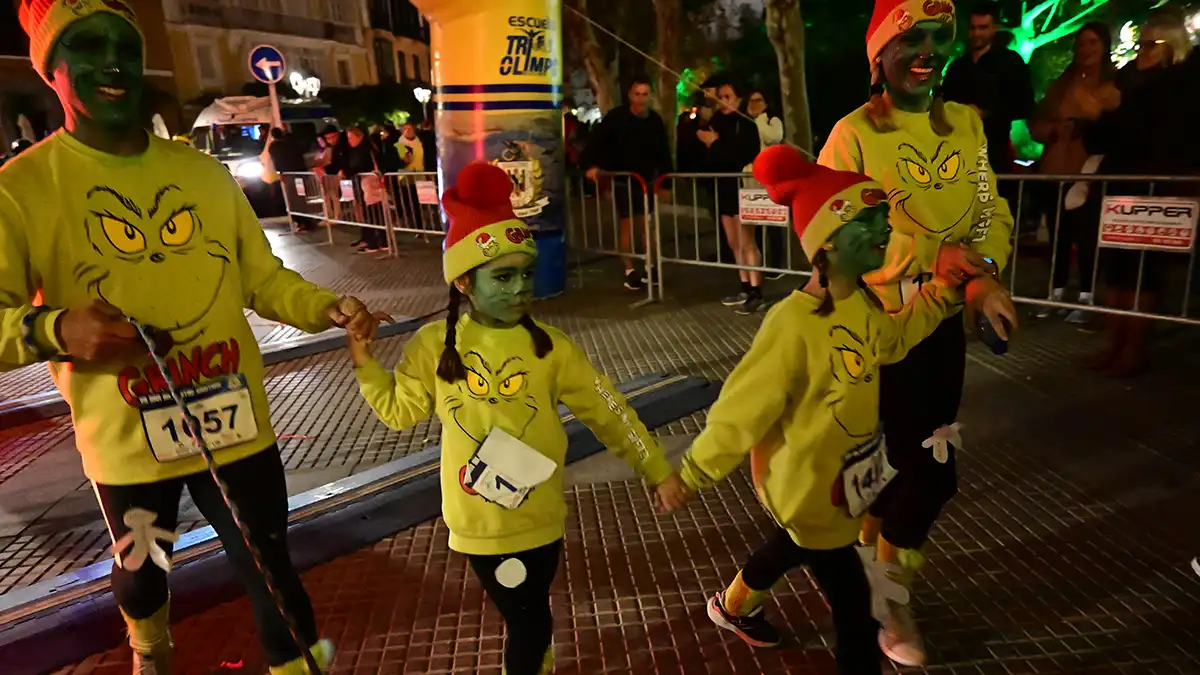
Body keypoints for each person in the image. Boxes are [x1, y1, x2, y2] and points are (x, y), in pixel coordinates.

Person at [7, 2, 381, 673]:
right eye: (88, 46)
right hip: (128, 446)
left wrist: (330, 305)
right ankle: (150, 647)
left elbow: (264, 280)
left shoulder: (204, 174)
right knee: (145, 573)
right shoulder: (21, 189)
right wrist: (58, 326)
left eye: (125, 43)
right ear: (52, 69)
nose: (113, 61)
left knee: (270, 568)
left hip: (237, 427)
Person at [345, 162, 687, 675]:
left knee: (533, 613)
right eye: (502, 276)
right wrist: (364, 362)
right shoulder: (434, 345)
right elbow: (400, 412)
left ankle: (535, 656)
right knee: (526, 620)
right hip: (477, 521)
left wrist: (655, 467)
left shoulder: (551, 347)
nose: (518, 287)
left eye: (526, 273)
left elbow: (609, 411)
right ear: (463, 280)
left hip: (541, 515)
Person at [661, 145, 964, 674]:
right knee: (855, 609)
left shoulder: (862, 303)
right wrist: (690, 474)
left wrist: (939, 295)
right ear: (826, 240)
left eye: (882, 219)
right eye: (868, 221)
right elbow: (740, 409)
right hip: (806, 490)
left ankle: (734, 606)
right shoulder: (792, 323)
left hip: (843, 484)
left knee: (797, 550)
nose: (883, 231)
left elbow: (891, 341)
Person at [818, 0, 1019, 665]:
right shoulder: (851, 135)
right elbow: (840, 229)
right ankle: (888, 595)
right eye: (912, 38)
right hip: (876, 327)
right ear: (879, 55)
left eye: (940, 37)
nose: (929, 50)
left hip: (940, 325)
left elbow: (990, 207)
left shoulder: (964, 123)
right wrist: (937, 257)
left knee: (904, 466)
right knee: (929, 474)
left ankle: (845, 573)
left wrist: (985, 272)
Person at [1083, 7, 1197, 377]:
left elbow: (1167, 136)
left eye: (1152, 44)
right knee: (1116, 269)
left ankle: (1135, 348)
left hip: (1157, 189)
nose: (1142, 51)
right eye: (1140, 44)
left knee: (1144, 271)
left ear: (1173, 45)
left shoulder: (1183, 81)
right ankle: (1115, 344)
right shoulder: (1128, 79)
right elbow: (1104, 137)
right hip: (1120, 184)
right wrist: (1097, 114)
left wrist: (1121, 108)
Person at [1029, 22, 1120, 322]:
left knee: (1087, 234)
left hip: (1089, 171)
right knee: (1058, 235)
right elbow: (1037, 123)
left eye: (1093, 43)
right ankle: (1056, 292)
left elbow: (1114, 124)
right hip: (1055, 169)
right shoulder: (1061, 84)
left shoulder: (1113, 83)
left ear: (1104, 46)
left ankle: (1086, 296)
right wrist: (1054, 129)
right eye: (1081, 44)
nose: (1086, 50)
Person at [582, 78, 673, 291]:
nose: (641, 99)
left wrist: (666, 182)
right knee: (627, 224)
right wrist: (592, 165)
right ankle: (629, 269)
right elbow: (598, 142)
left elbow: (663, 152)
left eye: (645, 94)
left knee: (647, 226)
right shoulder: (617, 118)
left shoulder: (655, 121)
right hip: (624, 180)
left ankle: (651, 266)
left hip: (646, 181)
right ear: (630, 96)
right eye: (637, 94)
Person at [941, 1, 1034, 177]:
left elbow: (1025, 104)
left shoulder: (1010, 63)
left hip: (995, 153)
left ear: (995, 28)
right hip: (957, 153)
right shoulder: (957, 67)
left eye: (983, 28)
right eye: (973, 28)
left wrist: (987, 112)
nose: (977, 33)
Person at [701, 82, 766, 314]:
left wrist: (716, 144)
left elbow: (739, 154)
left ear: (738, 99)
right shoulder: (716, 121)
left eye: (728, 96)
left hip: (743, 186)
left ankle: (757, 290)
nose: (723, 100)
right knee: (733, 241)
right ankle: (744, 284)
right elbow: (710, 158)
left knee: (747, 240)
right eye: (720, 96)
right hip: (724, 189)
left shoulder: (746, 124)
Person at [744, 90, 786, 277]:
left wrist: (759, 119)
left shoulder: (771, 120)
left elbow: (773, 137)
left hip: (769, 179)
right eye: (751, 100)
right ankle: (760, 262)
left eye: (758, 100)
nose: (754, 103)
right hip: (750, 179)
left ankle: (777, 265)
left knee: (773, 224)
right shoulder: (744, 121)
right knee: (756, 223)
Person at [328, 126, 389, 254]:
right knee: (375, 213)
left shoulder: (364, 149)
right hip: (366, 185)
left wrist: (346, 172)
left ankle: (374, 243)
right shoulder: (363, 148)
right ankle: (380, 241)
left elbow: (360, 166)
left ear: (359, 136)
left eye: (351, 137)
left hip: (369, 184)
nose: (349, 140)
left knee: (372, 213)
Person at [268, 127, 312, 232]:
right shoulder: (290, 143)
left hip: (288, 176)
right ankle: (307, 221)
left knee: (292, 199)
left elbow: (276, 162)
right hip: (300, 174)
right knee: (301, 197)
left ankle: (299, 221)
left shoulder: (273, 147)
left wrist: (280, 173)